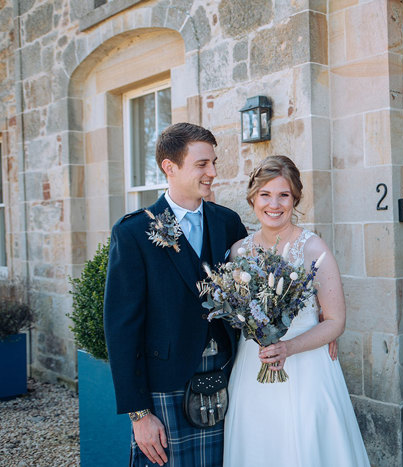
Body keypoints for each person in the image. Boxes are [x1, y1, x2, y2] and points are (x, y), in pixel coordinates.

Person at [104, 122, 247, 466]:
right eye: (202, 164)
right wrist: (139, 415)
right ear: (170, 167)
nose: (212, 172)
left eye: (213, 162)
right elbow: (121, 327)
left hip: (227, 372)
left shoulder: (227, 222)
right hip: (166, 383)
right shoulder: (135, 231)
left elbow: (252, 287)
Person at [223, 155, 371, 467]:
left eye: (283, 195)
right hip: (253, 370)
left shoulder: (314, 249)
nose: (273, 204)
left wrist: (287, 347)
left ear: (295, 199)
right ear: (252, 198)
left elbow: (336, 320)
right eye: (265, 194)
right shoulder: (239, 252)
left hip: (307, 371)